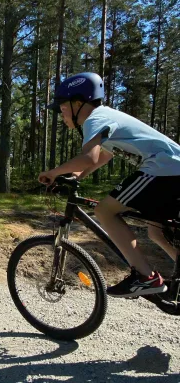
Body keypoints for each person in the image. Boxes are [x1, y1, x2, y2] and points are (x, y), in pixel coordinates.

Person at [39, 72, 180, 298]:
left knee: (104, 210)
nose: (61, 114)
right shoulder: (105, 117)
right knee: (156, 231)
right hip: (172, 170)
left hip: (165, 168)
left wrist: (53, 172)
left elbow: (90, 157)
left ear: (78, 103)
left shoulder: (95, 118)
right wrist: (76, 176)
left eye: (62, 107)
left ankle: (146, 277)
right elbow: (104, 157)